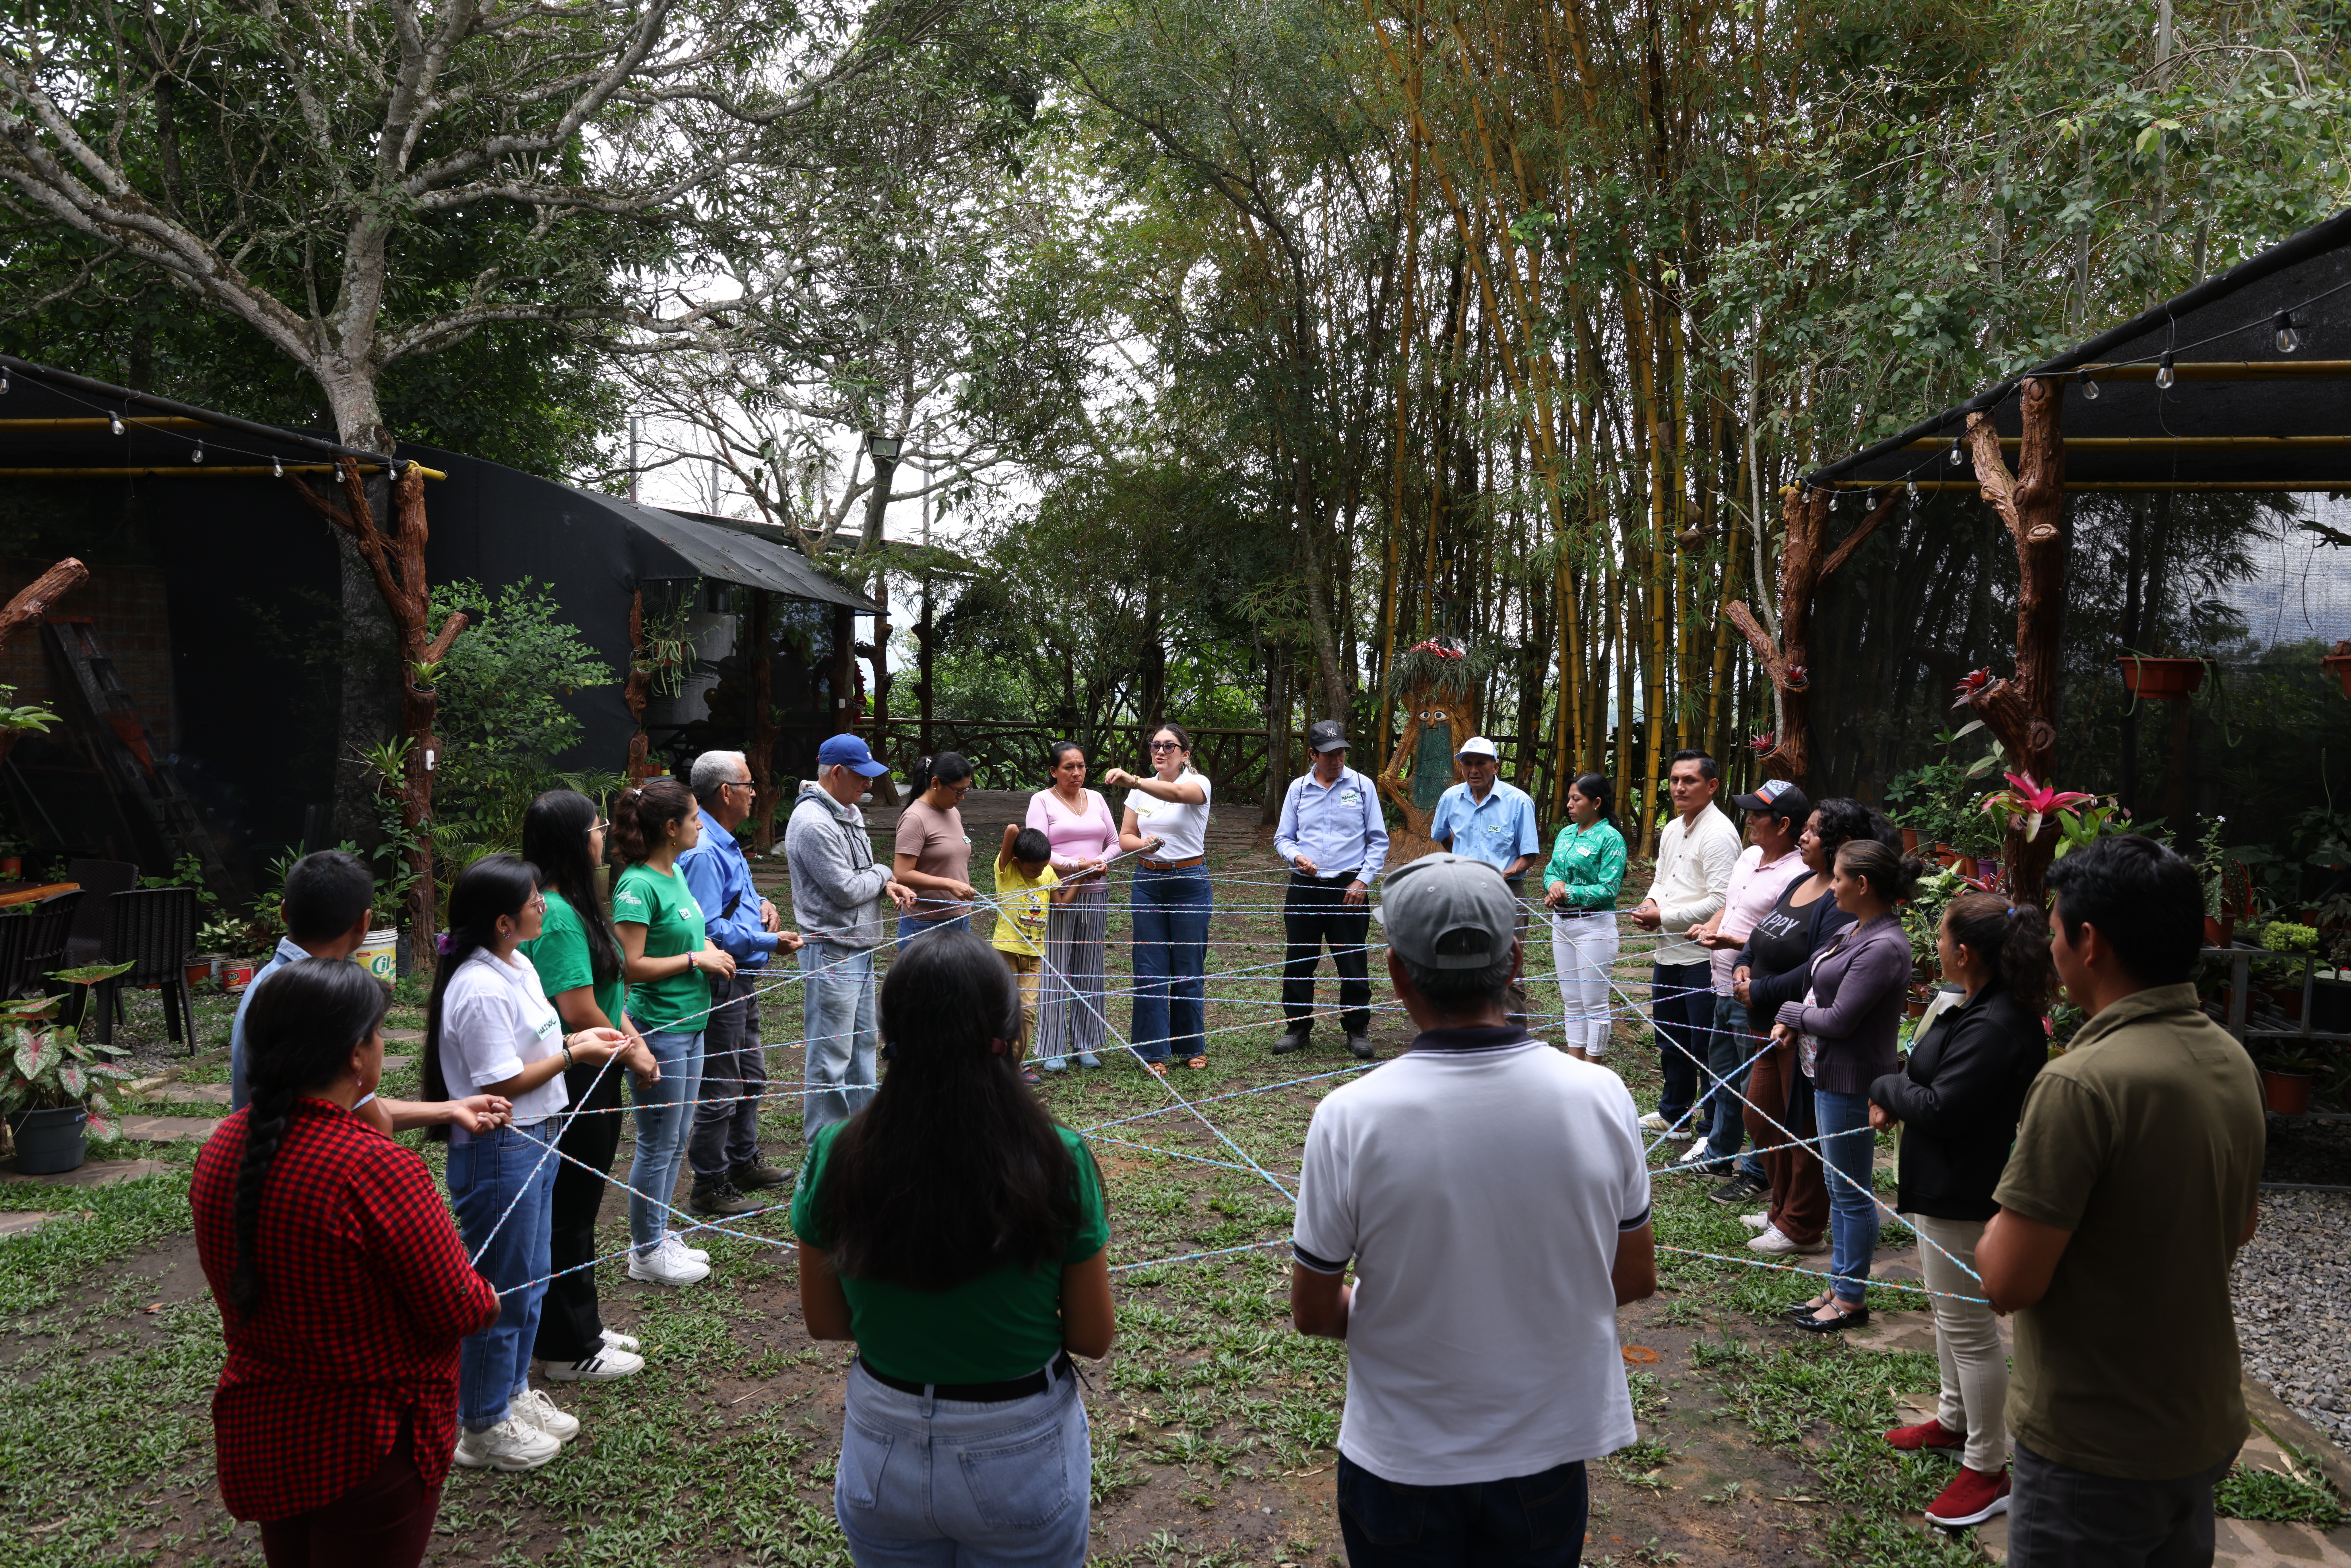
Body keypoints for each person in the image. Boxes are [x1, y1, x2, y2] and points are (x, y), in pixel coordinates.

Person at [1291, 853, 1655, 1568]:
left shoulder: (1349, 1115)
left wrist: (1411, 1314)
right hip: (1547, 1455)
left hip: (1399, 1459)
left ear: (1396, 972)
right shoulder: (1602, 1095)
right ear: (1516, 959)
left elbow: (1312, 1310)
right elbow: (1633, 1276)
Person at [1978, 836, 2265, 1567]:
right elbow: (2240, 1224)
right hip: (2194, 1419)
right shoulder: (2230, 1058)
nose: (2049, 947)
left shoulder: (2082, 1082)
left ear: (2089, 940)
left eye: (2053, 931)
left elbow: (2008, 1281)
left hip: (2095, 1444)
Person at [791, 930, 1114, 1568]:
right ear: (1011, 1033)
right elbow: (1092, 1335)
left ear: (889, 1035)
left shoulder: (835, 1153)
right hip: (1020, 1445)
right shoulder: (1060, 1156)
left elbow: (826, 1322)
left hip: (882, 1444)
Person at [193, 959, 502, 1568]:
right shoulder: (374, 1168)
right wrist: (488, 1296)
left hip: (265, 1428)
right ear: (356, 1056)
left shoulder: (224, 1145)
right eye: (378, 1032)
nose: (382, 1045)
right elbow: (455, 1306)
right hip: (368, 1442)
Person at [424, 854, 634, 1471]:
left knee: (532, 1274)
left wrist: (576, 1042)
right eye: (533, 899)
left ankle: (511, 1394)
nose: (544, 904)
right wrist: (575, 1055)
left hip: (538, 1135)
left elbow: (537, 1042)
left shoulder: (515, 964)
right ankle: (483, 1424)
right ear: (502, 921)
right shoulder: (480, 987)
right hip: (501, 1148)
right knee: (501, 1288)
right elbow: (502, 1082)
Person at [1868, 891, 2054, 1529]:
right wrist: (1903, 1086)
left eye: (1941, 936)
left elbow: (1942, 1107)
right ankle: (1953, 1420)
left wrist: (1884, 1085)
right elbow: (1931, 1082)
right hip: (1938, 1186)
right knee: (1948, 1315)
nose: (1935, 946)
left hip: (1965, 1192)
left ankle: (1987, 1466)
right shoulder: (1973, 1005)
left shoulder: (1999, 1023)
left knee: (1971, 1331)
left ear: (1964, 952)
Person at [520, 789, 659, 1383]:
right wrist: (631, 1048)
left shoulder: (573, 905)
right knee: (569, 1212)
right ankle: (565, 1346)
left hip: (598, 1065)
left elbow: (605, 1000)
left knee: (580, 1207)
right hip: (576, 1073)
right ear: (577, 841)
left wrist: (634, 1042)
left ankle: (584, 1325)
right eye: (596, 826)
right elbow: (577, 1008)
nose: (604, 834)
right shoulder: (553, 913)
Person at [228, 850, 504, 1141]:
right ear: (365, 923)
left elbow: (350, 1106)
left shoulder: (267, 980)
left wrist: (451, 1109)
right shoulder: (321, 998)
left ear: (284, 912)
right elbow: (373, 1122)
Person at [1770, 839, 1917, 1332]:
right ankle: (1839, 1283)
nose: (1829, 886)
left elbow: (1838, 1019)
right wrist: (1800, 1019)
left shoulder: (1883, 946)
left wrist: (1790, 1013)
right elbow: (1820, 986)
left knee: (1852, 1191)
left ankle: (1851, 1296)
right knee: (1839, 1187)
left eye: (1836, 878)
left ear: (1862, 884)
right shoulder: (1857, 930)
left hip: (1853, 1081)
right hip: (1827, 1071)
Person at [1732, 799, 1882, 1253]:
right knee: (1760, 1116)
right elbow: (1761, 933)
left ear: (1841, 844)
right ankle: (1781, 1207)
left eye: (1814, 832)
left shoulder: (1839, 901)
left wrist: (1763, 991)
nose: (1803, 836)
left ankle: (1801, 1225)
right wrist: (1744, 964)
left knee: (1800, 1130)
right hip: (1770, 1023)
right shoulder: (1799, 881)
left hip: (1797, 1027)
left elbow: (1818, 969)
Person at [612, 777, 736, 1287]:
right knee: (658, 1141)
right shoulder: (637, 884)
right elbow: (630, 966)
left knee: (677, 1135)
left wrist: (708, 946)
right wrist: (695, 957)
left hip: (692, 1023)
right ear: (670, 827)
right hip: (657, 1028)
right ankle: (645, 1250)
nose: (700, 823)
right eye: (692, 818)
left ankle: (659, 1233)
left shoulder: (675, 874)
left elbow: (688, 930)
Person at [680, 750, 805, 1220]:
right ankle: (709, 1184)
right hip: (722, 980)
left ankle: (743, 1160)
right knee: (720, 1086)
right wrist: (769, 939)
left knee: (750, 1076)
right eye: (751, 784)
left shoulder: (724, 841)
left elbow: (734, 900)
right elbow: (707, 925)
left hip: (744, 976)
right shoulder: (704, 848)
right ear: (727, 792)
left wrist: (764, 904)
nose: (758, 792)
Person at [1681, 778, 1811, 1193]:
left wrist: (1736, 944)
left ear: (1784, 823)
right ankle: (1719, 1156)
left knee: (1755, 1086)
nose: (1749, 820)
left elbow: (1784, 939)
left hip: (1756, 993)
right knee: (1721, 1076)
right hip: (1721, 983)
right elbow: (1731, 905)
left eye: (1758, 814)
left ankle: (1756, 1173)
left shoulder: (1799, 874)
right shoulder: (1750, 855)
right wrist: (1713, 926)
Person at [788, 735, 919, 1136]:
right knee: (831, 1052)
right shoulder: (812, 823)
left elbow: (859, 873)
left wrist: (883, 884)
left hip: (860, 945)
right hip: (830, 949)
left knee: (862, 1045)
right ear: (838, 773)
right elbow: (845, 890)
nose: (869, 785)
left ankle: (865, 1135)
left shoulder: (847, 810)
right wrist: (885, 873)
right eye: (862, 777)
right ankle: (827, 1147)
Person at [1630, 750, 1739, 1141]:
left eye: (1689, 780)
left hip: (1702, 958)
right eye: (1675, 779)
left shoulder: (1720, 834)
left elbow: (1722, 900)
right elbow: (1662, 879)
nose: (1679, 787)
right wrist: (1650, 904)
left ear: (1712, 786)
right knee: (1670, 1037)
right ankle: (1674, 1116)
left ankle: (1711, 1130)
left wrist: (1663, 918)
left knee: (1705, 1045)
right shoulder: (1674, 827)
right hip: (1668, 953)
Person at [1272, 718, 1390, 1061]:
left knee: (1352, 960)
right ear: (1312, 754)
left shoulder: (1363, 786)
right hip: (1305, 888)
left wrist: (1362, 881)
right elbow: (1283, 837)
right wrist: (1296, 856)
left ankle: (1357, 1029)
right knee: (1300, 959)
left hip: (1348, 889)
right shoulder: (1298, 789)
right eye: (1328, 754)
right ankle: (1297, 1028)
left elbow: (1378, 840)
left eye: (1340, 752)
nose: (1336, 760)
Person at [1107, 723, 1214, 1073]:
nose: (1161, 751)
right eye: (1156, 745)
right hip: (1147, 882)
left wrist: (1135, 780)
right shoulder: (1140, 792)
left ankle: (1190, 1046)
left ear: (1185, 753)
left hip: (1188, 881)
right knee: (1149, 967)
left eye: (1170, 746)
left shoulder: (1198, 784)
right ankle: (1152, 1052)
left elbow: (1177, 795)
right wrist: (1144, 844)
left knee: (1187, 967)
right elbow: (1125, 837)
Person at [1426, 735, 1541, 1022]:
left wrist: (1506, 872)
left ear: (1496, 766)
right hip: (1460, 891)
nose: (1473, 770)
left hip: (1505, 892)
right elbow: (1442, 836)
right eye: (1467, 764)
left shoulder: (1518, 802)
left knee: (1508, 965)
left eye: (1481, 763)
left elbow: (1528, 855)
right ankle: (1465, 1030)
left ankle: (1512, 1035)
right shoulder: (1450, 798)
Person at [1027, 740, 1119, 1071]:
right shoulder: (1041, 801)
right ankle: (1051, 1046)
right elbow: (1037, 848)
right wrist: (1074, 865)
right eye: (1068, 767)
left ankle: (1085, 1043)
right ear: (1053, 771)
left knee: (1089, 968)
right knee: (1055, 967)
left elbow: (1115, 841)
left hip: (1095, 891)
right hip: (1057, 895)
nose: (1076, 773)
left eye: (1080, 766)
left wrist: (1101, 862)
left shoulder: (1095, 798)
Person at [1541, 772, 1627, 1062]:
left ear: (1596, 803)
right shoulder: (1566, 833)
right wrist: (1553, 885)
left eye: (1576, 799)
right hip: (1562, 924)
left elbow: (1608, 888)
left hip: (1594, 926)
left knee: (1594, 1003)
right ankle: (1574, 1064)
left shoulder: (1610, 838)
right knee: (1572, 1002)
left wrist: (1568, 892)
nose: (1568, 805)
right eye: (1569, 798)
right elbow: (1551, 870)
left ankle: (1593, 1070)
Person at [994, 825, 1072, 1077]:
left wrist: (1082, 876)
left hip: (1035, 955)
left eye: (1042, 868)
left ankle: (1017, 1061)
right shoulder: (1007, 870)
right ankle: (998, 1060)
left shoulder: (1047, 872)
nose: (1039, 873)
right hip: (1006, 951)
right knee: (1005, 1008)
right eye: (1033, 870)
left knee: (1027, 1010)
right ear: (1018, 861)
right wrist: (1018, 834)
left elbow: (1060, 904)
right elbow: (1011, 830)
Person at [894, 751, 978, 945]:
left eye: (966, 790)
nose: (962, 797)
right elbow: (902, 874)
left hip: (959, 919)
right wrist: (949, 884)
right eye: (958, 791)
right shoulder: (915, 818)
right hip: (926, 924)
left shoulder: (953, 811)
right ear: (936, 783)